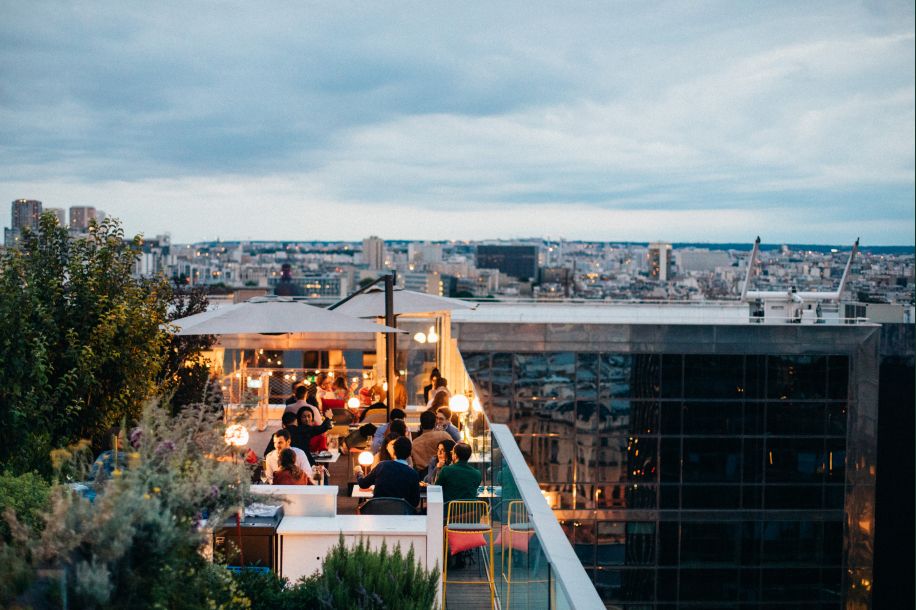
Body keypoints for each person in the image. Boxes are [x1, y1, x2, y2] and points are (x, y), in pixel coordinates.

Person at [354, 436, 420, 508]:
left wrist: (359, 472)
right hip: (401, 514)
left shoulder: (382, 466)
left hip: (378, 511)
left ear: (394, 451)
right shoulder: (413, 474)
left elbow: (363, 484)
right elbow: (415, 502)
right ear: (410, 453)